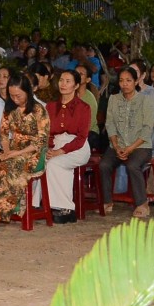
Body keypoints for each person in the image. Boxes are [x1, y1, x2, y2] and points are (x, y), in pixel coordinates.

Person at [0, 72, 49, 222]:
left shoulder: (38, 110)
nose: (15, 99)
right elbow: (4, 134)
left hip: (33, 153)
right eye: (11, 96)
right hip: (13, 149)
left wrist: (15, 154)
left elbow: (41, 140)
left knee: (12, 164)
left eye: (18, 95)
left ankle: (1, 210)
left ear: (27, 92)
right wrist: (6, 151)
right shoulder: (9, 109)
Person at [101, 66, 154, 218]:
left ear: (136, 81)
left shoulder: (145, 100)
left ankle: (142, 203)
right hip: (117, 145)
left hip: (141, 145)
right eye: (121, 80)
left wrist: (131, 148)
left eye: (128, 80)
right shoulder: (114, 99)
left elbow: (147, 129)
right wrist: (116, 146)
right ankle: (107, 201)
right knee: (104, 165)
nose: (124, 84)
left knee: (133, 165)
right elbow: (110, 124)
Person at [43, 68, 92, 224]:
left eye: (68, 81)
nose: (63, 84)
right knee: (40, 161)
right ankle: (42, 204)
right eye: (61, 80)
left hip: (78, 146)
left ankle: (65, 208)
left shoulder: (84, 107)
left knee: (55, 163)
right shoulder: (50, 106)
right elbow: (47, 133)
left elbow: (82, 137)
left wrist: (61, 151)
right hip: (56, 144)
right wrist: (50, 148)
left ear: (76, 85)